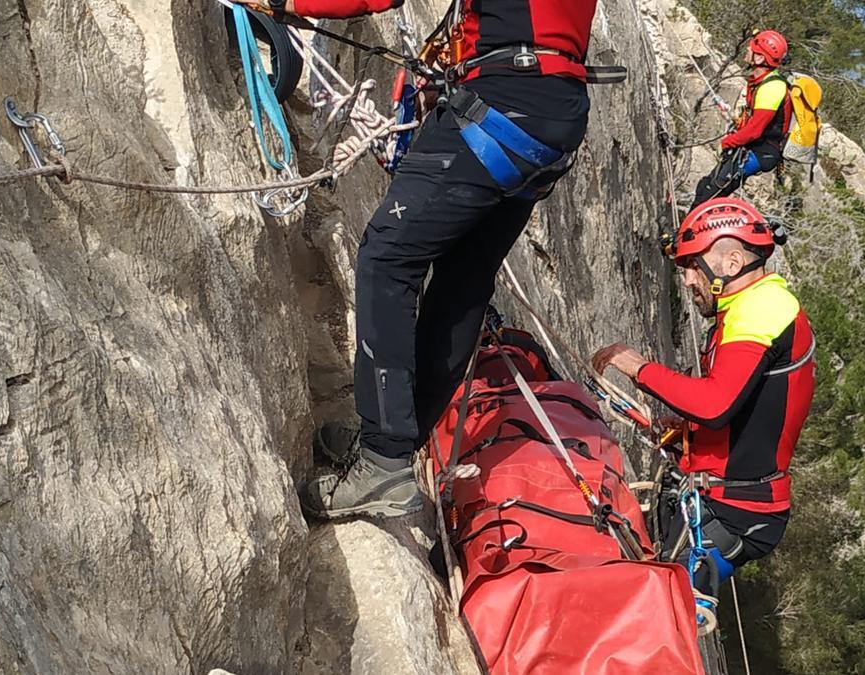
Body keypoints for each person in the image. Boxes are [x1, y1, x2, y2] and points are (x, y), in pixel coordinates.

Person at [269, 0, 600, 518]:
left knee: (388, 256)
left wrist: (288, 4)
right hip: (554, 112)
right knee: (463, 283)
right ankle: (398, 442)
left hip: (501, 105)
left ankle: (383, 460)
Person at [591, 196, 815, 603]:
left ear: (731, 263)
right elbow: (750, 404)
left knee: (663, 608)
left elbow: (715, 405)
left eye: (693, 266)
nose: (688, 280)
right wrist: (686, 433)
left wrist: (639, 368)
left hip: (736, 511)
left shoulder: (763, 309)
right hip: (726, 501)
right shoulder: (747, 306)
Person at [692, 30, 791, 208]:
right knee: (706, 187)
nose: (747, 48)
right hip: (755, 148)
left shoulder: (772, 87)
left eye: (752, 47)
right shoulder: (761, 81)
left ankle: (688, 232)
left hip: (761, 152)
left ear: (760, 58)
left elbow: (755, 130)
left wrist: (727, 142)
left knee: (711, 192)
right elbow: (754, 123)